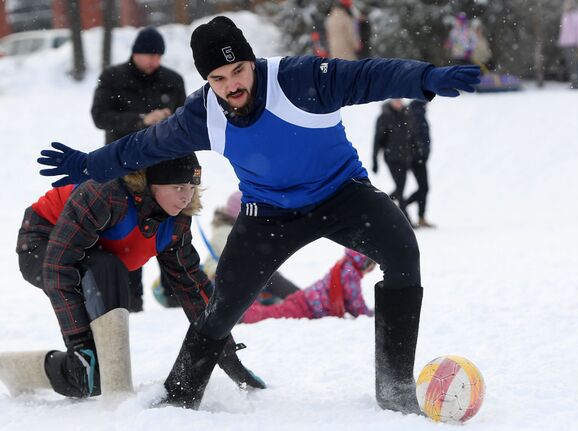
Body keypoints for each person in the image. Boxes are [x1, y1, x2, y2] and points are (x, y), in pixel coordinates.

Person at [37, 16, 480, 412]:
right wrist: (89, 165)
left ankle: (396, 388)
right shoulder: (201, 113)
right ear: (206, 80)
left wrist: (426, 78)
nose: (232, 84)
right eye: (218, 77)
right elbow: (144, 147)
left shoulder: (302, 78)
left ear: (253, 62)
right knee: (220, 308)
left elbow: (369, 76)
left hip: (344, 195)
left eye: (238, 70)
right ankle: (178, 397)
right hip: (268, 212)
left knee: (404, 255)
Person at [0, 155, 264, 400]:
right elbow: (58, 266)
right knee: (106, 273)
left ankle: (9, 369)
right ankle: (119, 400)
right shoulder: (106, 194)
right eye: (178, 187)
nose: (186, 197)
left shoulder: (176, 221)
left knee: (90, 380)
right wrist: (80, 343)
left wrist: (227, 355)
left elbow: (193, 286)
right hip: (43, 244)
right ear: (151, 183)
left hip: (96, 261)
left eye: (192, 187)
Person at [91, 26, 187, 312]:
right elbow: (100, 117)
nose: (153, 61)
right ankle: (131, 301)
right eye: (148, 55)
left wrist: (166, 122)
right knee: (127, 229)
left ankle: (174, 295)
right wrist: (141, 120)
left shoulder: (172, 80)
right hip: (123, 164)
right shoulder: (112, 77)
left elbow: (185, 120)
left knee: (168, 227)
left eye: (157, 56)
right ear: (135, 52)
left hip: (164, 165)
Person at [201, 190, 300, 305]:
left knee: (267, 274)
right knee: (268, 274)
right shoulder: (225, 233)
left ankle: (297, 297)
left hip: (234, 278)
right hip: (224, 278)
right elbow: (232, 259)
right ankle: (301, 298)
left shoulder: (236, 231)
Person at [241, 249, 374, 324]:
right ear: (365, 264)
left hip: (307, 300)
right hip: (308, 306)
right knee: (275, 314)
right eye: (371, 269)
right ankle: (244, 313)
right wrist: (367, 315)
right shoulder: (350, 274)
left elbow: (349, 301)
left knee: (277, 311)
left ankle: (246, 309)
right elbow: (355, 301)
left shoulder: (344, 266)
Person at [372, 99, 414, 216]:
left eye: (400, 100)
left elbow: (411, 137)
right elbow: (377, 140)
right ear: (391, 101)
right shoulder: (384, 117)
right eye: (396, 100)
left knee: (400, 189)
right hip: (392, 158)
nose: (399, 102)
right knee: (400, 189)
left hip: (405, 158)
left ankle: (381, 205)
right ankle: (406, 218)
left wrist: (414, 153)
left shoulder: (406, 114)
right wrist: (375, 160)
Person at [404, 100, 435, 228]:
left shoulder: (415, 112)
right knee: (424, 187)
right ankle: (403, 204)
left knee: (424, 188)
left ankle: (421, 216)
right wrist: (421, 152)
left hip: (418, 157)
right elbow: (416, 136)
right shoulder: (417, 114)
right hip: (417, 158)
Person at [558, 0, 578, 89]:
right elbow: (563, 30)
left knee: (576, 65)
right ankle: (574, 83)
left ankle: (577, 84)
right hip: (566, 44)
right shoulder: (565, 15)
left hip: (575, 44)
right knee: (570, 65)